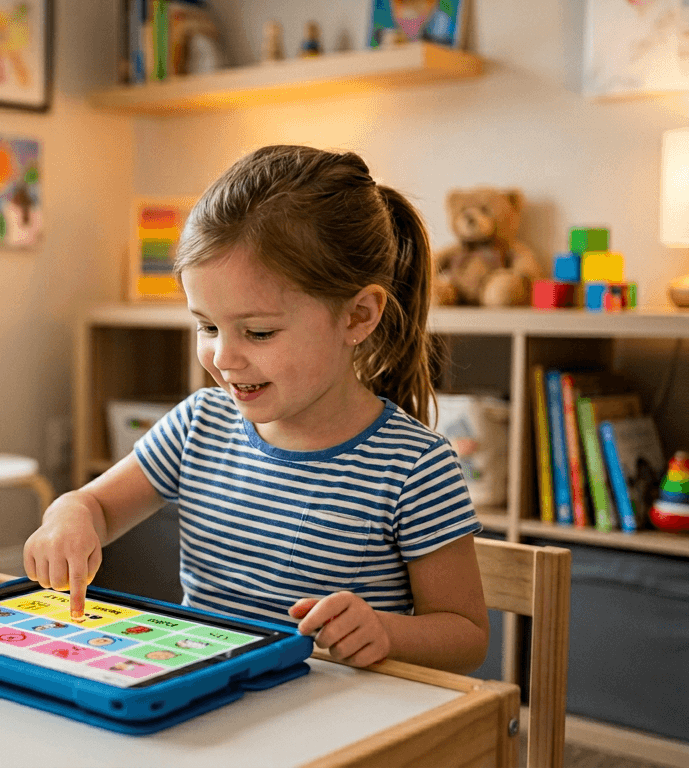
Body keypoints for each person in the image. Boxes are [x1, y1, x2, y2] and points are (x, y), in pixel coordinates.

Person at [25, 145, 488, 674]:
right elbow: (96, 507)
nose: (222, 357)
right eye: (207, 326)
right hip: (206, 699)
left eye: (259, 332)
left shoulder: (414, 466)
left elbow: (465, 635)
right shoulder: (198, 424)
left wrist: (386, 631)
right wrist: (69, 518)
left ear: (358, 316)